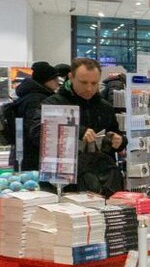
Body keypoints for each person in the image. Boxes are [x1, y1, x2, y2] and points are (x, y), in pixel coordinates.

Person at [43, 58, 126, 195]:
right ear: (71, 77)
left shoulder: (105, 107)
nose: (89, 88)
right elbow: (40, 134)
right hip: (63, 183)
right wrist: (78, 131)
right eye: (83, 82)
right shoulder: (53, 104)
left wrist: (120, 140)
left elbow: (115, 133)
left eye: (94, 83)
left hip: (102, 182)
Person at [4, 62, 60, 171]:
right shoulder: (37, 100)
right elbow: (34, 130)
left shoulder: (28, 96)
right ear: (46, 80)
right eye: (55, 79)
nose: (57, 83)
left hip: (23, 152)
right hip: (32, 156)